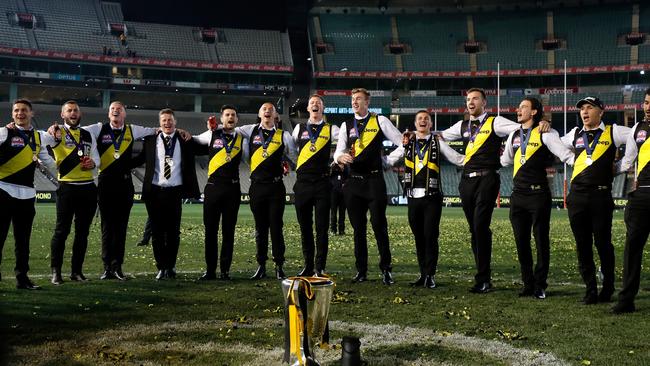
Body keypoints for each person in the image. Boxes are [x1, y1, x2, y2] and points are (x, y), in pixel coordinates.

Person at [441, 88, 550, 294]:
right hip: (466, 181)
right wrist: (458, 159)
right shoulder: (461, 125)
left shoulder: (495, 122)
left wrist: (544, 123)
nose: (470, 102)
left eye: (475, 99)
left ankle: (483, 279)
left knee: (481, 225)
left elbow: (522, 128)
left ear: (484, 103)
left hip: (487, 179)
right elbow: (440, 137)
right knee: (475, 229)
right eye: (468, 99)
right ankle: (484, 278)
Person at [500, 97, 575, 299]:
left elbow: (565, 153)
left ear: (534, 112)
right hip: (518, 195)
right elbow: (505, 160)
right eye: (519, 106)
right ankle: (528, 284)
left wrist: (587, 164)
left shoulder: (545, 132)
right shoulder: (514, 134)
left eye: (523, 107)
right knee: (521, 241)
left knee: (541, 240)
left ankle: (540, 284)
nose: (518, 109)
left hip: (538, 194)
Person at [560, 97, 630, 305]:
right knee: (582, 245)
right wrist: (570, 158)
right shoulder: (575, 134)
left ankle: (607, 288)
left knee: (602, 244)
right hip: (577, 196)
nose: (585, 111)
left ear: (601, 111)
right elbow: (551, 141)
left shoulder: (613, 131)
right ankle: (590, 290)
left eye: (590, 107)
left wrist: (620, 168)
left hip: (600, 195)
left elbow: (637, 136)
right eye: (582, 108)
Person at [80, 101, 160, 280]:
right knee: (107, 227)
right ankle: (107, 267)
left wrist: (175, 131)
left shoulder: (133, 130)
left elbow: (154, 131)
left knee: (121, 227)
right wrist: (57, 129)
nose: (115, 111)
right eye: (112, 109)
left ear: (124, 114)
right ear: (109, 114)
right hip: (106, 183)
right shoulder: (99, 128)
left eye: (119, 109)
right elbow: (77, 130)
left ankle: (118, 267)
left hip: (125, 185)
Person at [386, 110, 464, 289]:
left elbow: (456, 158)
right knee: (419, 237)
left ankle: (430, 274)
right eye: (420, 119)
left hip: (432, 197)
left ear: (430, 124)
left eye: (426, 119)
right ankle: (423, 274)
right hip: (413, 198)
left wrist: (476, 161)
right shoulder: (407, 142)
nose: (423, 121)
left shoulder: (437, 142)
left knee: (430, 235)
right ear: (415, 124)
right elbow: (391, 159)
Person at [334, 88, 404, 285]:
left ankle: (386, 269)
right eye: (352, 99)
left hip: (374, 181)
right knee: (358, 230)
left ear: (367, 101)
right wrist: (340, 156)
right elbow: (338, 150)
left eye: (358, 99)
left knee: (379, 226)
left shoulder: (380, 120)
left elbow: (403, 143)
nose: (355, 102)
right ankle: (361, 270)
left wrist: (389, 161)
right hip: (353, 182)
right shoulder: (346, 124)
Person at [133, 108, 203, 280]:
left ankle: (170, 266)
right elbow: (140, 158)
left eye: (170, 120)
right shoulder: (151, 140)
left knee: (173, 233)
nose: (167, 123)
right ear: (160, 122)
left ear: (175, 122)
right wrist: (117, 164)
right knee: (156, 233)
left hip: (175, 192)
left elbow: (204, 147)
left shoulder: (184, 139)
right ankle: (161, 267)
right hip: (155, 191)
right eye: (164, 120)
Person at [236, 103, 297, 280]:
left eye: (271, 109)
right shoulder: (250, 130)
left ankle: (279, 265)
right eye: (264, 109)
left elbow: (294, 157)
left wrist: (288, 166)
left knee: (276, 227)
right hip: (256, 186)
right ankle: (261, 265)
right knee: (260, 228)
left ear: (276, 115)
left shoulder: (283, 135)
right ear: (259, 113)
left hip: (276, 186)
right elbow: (231, 130)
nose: (267, 111)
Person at [0, 99, 56, 289]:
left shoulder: (39, 137)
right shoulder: (4, 132)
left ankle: (22, 279)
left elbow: (55, 143)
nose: (19, 113)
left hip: (27, 195)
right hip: (3, 191)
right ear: (12, 114)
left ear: (32, 113)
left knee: (23, 241)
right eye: (16, 110)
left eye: (24, 110)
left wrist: (56, 131)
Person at [49, 101, 100, 285]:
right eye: (69, 110)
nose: (73, 113)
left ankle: (76, 272)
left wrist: (94, 164)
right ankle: (56, 272)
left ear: (80, 114)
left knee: (82, 233)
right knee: (61, 231)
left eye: (75, 110)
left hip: (88, 188)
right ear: (62, 114)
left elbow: (96, 157)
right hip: (67, 187)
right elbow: (37, 139)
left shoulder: (88, 134)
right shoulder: (55, 132)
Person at [291, 94, 339, 277]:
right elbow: (291, 149)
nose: (315, 105)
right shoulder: (298, 128)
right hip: (302, 183)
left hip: (322, 183)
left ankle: (320, 267)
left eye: (318, 103)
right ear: (308, 108)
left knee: (321, 228)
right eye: (312, 103)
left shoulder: (331, 129)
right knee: (305, 228)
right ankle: (308, 265)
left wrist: (337, 160)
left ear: (323, 108)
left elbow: (343, 144)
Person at [610, 89, 650, 313]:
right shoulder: (637, 129)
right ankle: (626, 300)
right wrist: (609, 170)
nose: (648, 107)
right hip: (642, 195)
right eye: (645, 102)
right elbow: (627, 162)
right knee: (632, 250)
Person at [194, 105, 243, 281]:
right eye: (227, 115)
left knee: (228, 232)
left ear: (236, 120)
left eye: (233, 115)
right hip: (213, 187)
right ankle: (210, 270)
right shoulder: (211, 134)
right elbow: (194, 140)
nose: (230, 117)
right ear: (222, 119)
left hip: (233, 189)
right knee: (211, 231)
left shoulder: (241, 138)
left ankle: (225, 271)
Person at [329, 161, 347, 235]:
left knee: (342, 213)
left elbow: (348, 177)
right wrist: (332, 165)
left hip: (343, 193)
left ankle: (341, 230)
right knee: (333, 213)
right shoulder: (333, 168)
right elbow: (328, 174)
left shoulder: (346, 168)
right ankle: (333, 230)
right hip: (333, 193)